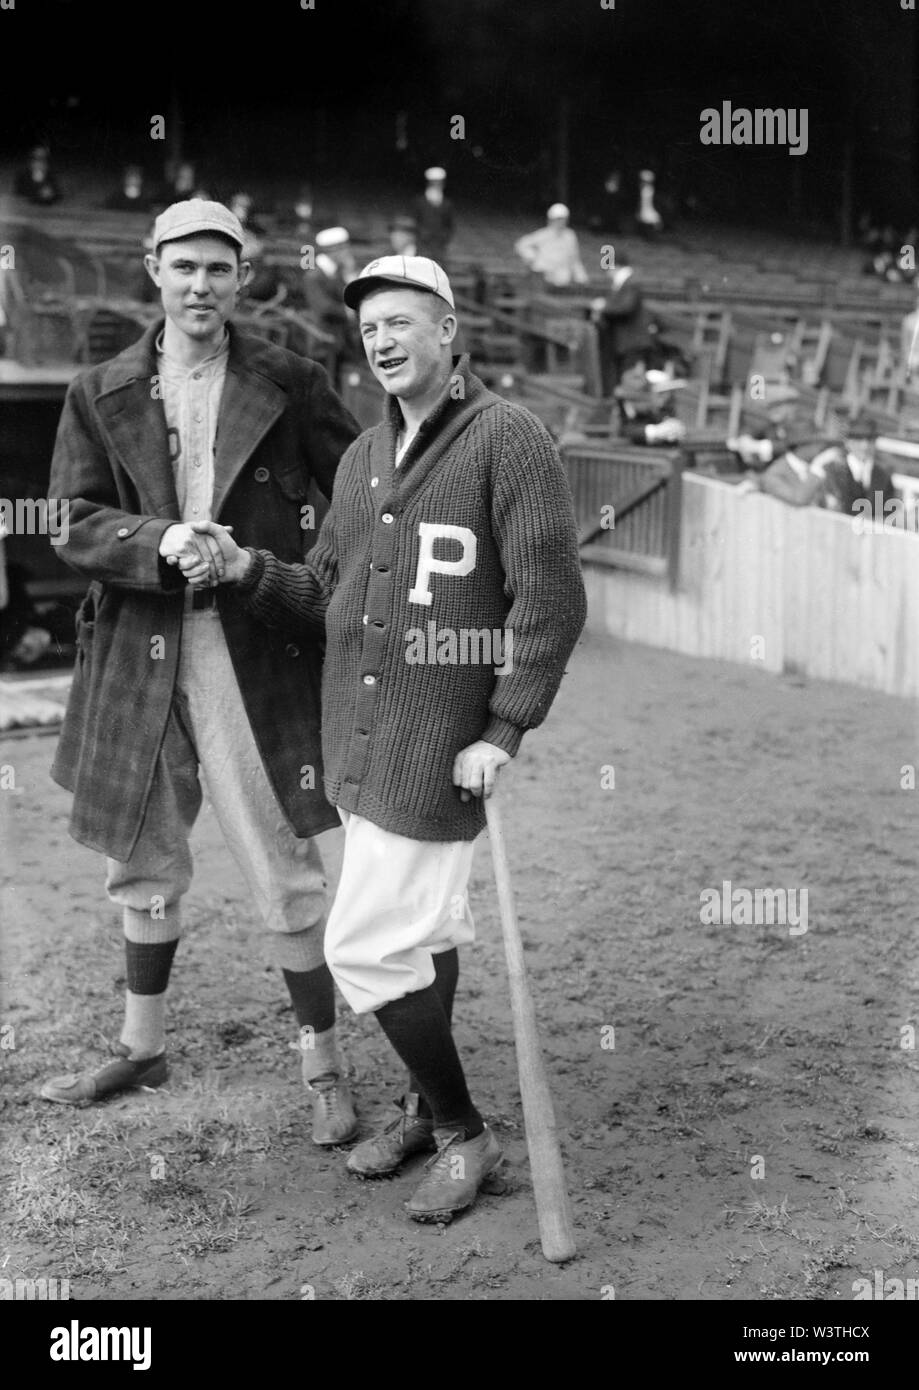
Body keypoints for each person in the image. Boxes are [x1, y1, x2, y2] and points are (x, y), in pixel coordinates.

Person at [190, 255, 587, 1222]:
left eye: (405, 322)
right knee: (425, 933)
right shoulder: (366, 456)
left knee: (364, 946)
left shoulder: (508, 438)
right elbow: (326, 595)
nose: (384, 341)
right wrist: (247, 569)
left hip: (440, 742)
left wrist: (505, 726)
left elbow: (550, 599)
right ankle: (421, 1104)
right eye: (370, 329)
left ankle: (462, 1129)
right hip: (364, 741)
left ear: (451, 331)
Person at [40, 199, 362, 1146]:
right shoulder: (98, 389)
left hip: (246, 647)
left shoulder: (292, 379)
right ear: (152, 270)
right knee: (137, 856)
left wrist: (282, 574)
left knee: (280, 855)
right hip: (136, 651)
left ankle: (324, 1061)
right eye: (183, 268)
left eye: (218, 270)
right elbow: (71, 520)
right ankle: (142, 1045)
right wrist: (157, 537)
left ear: (241, 278)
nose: (201, 286)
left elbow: (357, 498)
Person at [302, 227, 360, 385]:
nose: (347, 252)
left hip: (340, 342)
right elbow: (324, 309)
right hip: (322, 342)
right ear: (333, 251)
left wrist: (350, 276)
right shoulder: (314, 275)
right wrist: (349, 311)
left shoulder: (340, 273)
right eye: (343, 248)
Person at [591, 254, 652, 396]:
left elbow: (625, 308)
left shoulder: (631, 282)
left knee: (632, 383)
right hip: (623, 343)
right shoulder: (622, 284)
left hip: (632, 343)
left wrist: (604, 306)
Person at [514, 203, 588, 290]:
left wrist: (581, 277)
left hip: (562, 280)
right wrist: (532, 257)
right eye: (557, 219)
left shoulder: (570, 236)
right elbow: (521, 244)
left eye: (562, 219)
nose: (560, 222)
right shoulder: (543, 234)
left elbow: (574, 259)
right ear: (551, 220)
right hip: (543, 278)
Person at [412, 167, 455, 267]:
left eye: (439, 182)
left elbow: (449, 225)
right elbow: (414, 221)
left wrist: (444, 238)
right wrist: (421, 233)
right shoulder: (419, 201)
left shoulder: (447, 203)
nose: (437, 184)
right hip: (422, 244)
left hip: (439, 246)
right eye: (434, 182)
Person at [636, 170, 663, 238]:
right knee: (647, 220)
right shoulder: (645, 189)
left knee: (652, 219)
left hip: (648, 207)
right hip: (645, 207)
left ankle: (651, 234)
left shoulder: (648, 189)